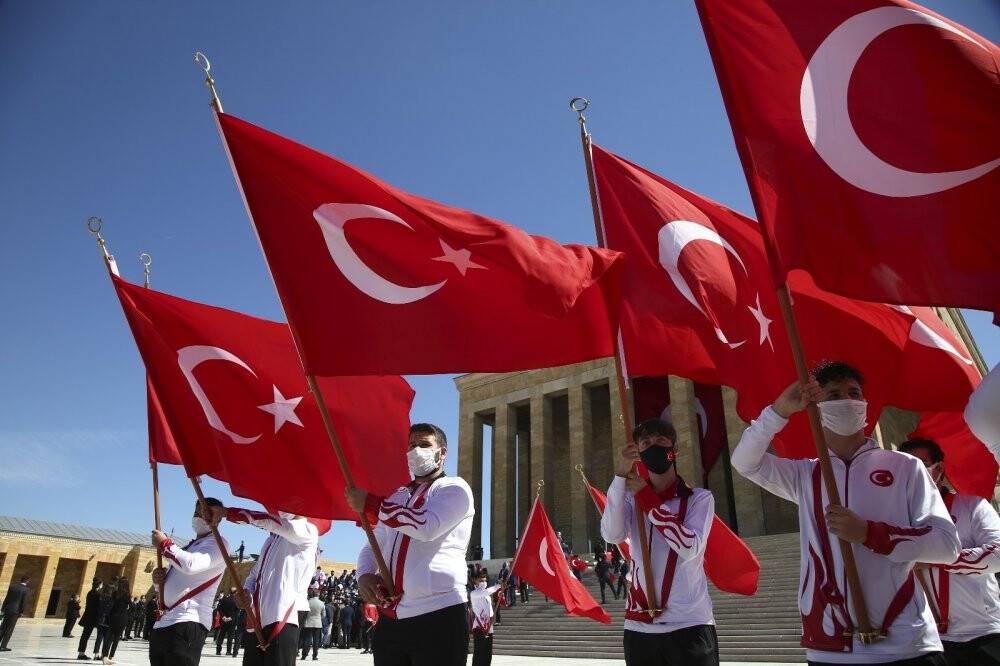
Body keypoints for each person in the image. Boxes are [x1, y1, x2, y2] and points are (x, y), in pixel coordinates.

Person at [731, 362, 961, 665]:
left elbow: (947, 546)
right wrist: (778, 412)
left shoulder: (904, 466)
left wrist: (870, 533)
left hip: (906, 643)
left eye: (854, 393)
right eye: (834, 394)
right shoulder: (807, 475)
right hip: (829, 647)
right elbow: (745, 462)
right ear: (817, 407)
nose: (847, 400)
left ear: (864, 404)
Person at [346, 422, 474, 666]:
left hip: (438, 613)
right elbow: (375, 542)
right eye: (412, 446)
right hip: (392, 616)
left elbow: (426, 526)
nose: (416, 451)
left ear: (442, 452)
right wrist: (364, 575)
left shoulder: (455, 488)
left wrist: (373, 505)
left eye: (425, 445)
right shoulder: (397, 496)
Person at [601, 417, 719, 666]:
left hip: (689, 624)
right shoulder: (632, 501)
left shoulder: (699, 499)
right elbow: (611, 534)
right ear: (638, 452)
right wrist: (621, 475)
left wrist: (647, 497)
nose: (653, 446)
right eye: (646, 443)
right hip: (640, 627)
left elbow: (689, 547)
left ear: (673, 449)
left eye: (661, 441)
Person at [900, 438, 1000, 666]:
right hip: (924, 640)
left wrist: (935, 559)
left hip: (983, 632)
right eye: (906, 466)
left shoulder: (972, 507)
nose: (913, 472)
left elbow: (998, 555)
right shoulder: (895, 519)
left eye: (921, 463)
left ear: (939, 468)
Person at [220, 505, 320, 666]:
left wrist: (226, 512)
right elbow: (254, 574)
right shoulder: (271, 540)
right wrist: (246, 592)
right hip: (258, 616)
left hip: (284, 615)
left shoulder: (308, 531)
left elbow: (272, 522)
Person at [148, 497, 227, 666]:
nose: (200, 515)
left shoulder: (218, 543)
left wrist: (165, 544)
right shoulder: (187, 548)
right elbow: (170, 582)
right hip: (164, 622)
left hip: (187, 621)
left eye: (207, 512)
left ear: (219, 518)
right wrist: (157, 581)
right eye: (197, 511)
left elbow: (191, 564)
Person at [468, 571, 503, 666]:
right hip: (480, 627)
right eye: (481, 580)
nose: (484, 582)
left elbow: (490, 609)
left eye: (485, 580)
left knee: (488, 652)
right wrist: (499, 585)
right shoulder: (474, 593)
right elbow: (487, 591)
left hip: (489, 626)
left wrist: (492, 618)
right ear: (475, 581)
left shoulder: (486, 595)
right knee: (479, 652)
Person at [0, 576, 29, 652]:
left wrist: (3, 609)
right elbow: (23, 602)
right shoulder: (25, 589)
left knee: (3, 627)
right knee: (9, 629)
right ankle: (3, 646)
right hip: (15, 611)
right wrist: (22, 611)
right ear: (27, 581)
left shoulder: (12, 587)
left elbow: (7, 598)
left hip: (8, 609)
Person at [77, 578, 103, 659]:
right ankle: (95, 654)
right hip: (93, 617)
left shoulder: (90, 592)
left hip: (88, 616)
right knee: (98, 635)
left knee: (85, 635)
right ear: (99, 585)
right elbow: (98, 606)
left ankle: (81, 653)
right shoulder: (97, 594)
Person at [301, 589, 324, 661]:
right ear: (318, 594)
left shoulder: (307, 602)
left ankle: (304, 655)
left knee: (307, 640)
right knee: (316, 641)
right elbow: (323, 615)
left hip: (308, 622)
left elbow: (304, 613)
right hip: (317, 623)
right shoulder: (321, 603)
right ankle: (314, 656)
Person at [215, 588, 239, 656]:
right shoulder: (236, 600)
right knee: (230, 637)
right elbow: (237, 611)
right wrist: (231, 618)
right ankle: (228, 651)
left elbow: (219, 609)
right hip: (232, 621)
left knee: (221, 635)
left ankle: (218, 651)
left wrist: (223, 617)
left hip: (224, 621)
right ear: (235, 592)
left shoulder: (224, 599)